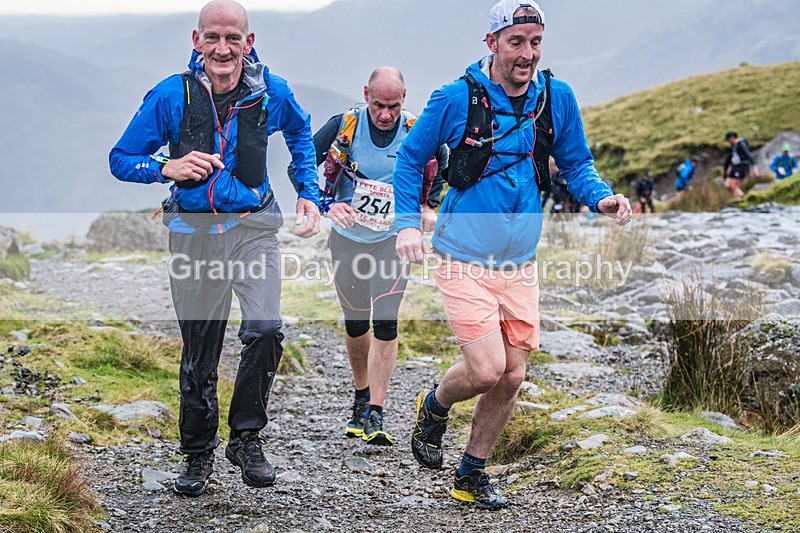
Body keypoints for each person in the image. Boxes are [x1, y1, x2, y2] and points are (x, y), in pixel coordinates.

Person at [392, 0, 631, 510]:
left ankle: (471, 474)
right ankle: (434, 404)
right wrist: (407, 224)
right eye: (516, 42)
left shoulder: (556, 97)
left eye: (535, 42)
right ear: (492, 42)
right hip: (461, 256)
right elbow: (411, 159)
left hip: (519, 262)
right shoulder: (455, 98)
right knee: (485, 370)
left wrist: (601, 197)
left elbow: (576, 163)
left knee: (513, 375)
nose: (527, 54)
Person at [109, 0, 321, 496]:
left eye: (233, 38)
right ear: (196, 40)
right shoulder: (171, 94)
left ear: (249, 42)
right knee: (200, 348)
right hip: (194, 234)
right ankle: (198, 451)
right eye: (213, 37)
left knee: (265, 330)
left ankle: (246, 439)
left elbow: (300, 134)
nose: (222, 49)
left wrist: (309, 193)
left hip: (253, 227)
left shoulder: (271, 92)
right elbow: (121, 158)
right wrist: (165, 167)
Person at [288, 67, 444, 446]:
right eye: (378, 105)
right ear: (365, 95)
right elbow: (300, 166)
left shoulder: (417, 129)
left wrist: (430, 205)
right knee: (356, 323)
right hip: (348, 239)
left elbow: (442, 165)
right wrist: (326, 204)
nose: (385, 114)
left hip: (393, 239)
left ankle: (376, 410)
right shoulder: (344, 126)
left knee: (386, 321)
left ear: (404, 98)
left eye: (393, 106)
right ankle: (361, 396)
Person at [723, 131, 759, 200]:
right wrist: (730, 166)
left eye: (728, 139)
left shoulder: (741, 144)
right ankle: (741, 198)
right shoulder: (733, 145)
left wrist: (754, 166)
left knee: (733, 185)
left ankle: (742, 199)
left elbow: (748, 154)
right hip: (735, 167)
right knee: (727, 184)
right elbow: (734, 157)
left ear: (733, 137)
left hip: (742, 167)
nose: (728, 141)